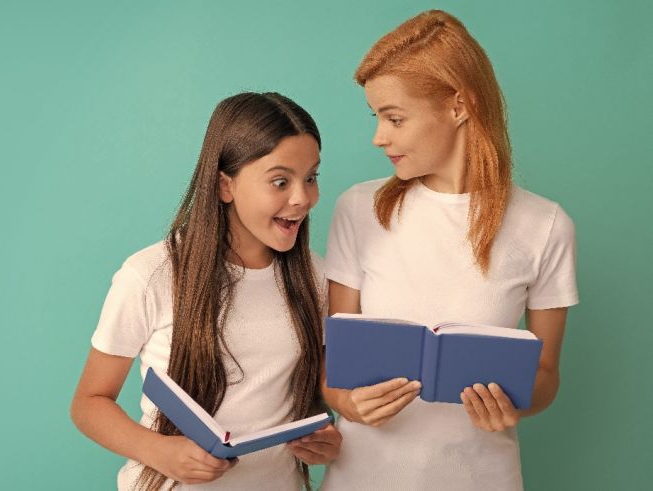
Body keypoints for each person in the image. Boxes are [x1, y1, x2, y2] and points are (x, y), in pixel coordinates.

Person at [320, 10, 578, 490]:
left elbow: (546, 375)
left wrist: (515, 404)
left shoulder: (545, 226)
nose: (379, 136)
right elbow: (334, 364)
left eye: (394, 118)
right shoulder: (358, 209)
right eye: (376, 117)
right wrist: (346, 402)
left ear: (459, 106)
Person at [71, 92, 342, 490]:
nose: (303, 198)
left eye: (312, 177)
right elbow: (89, 403)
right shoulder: (151, 275)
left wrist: (329, 442)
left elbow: (319, 394)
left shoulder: (317, 279)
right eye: (280, 181)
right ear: (224, 185)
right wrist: (158, 451)